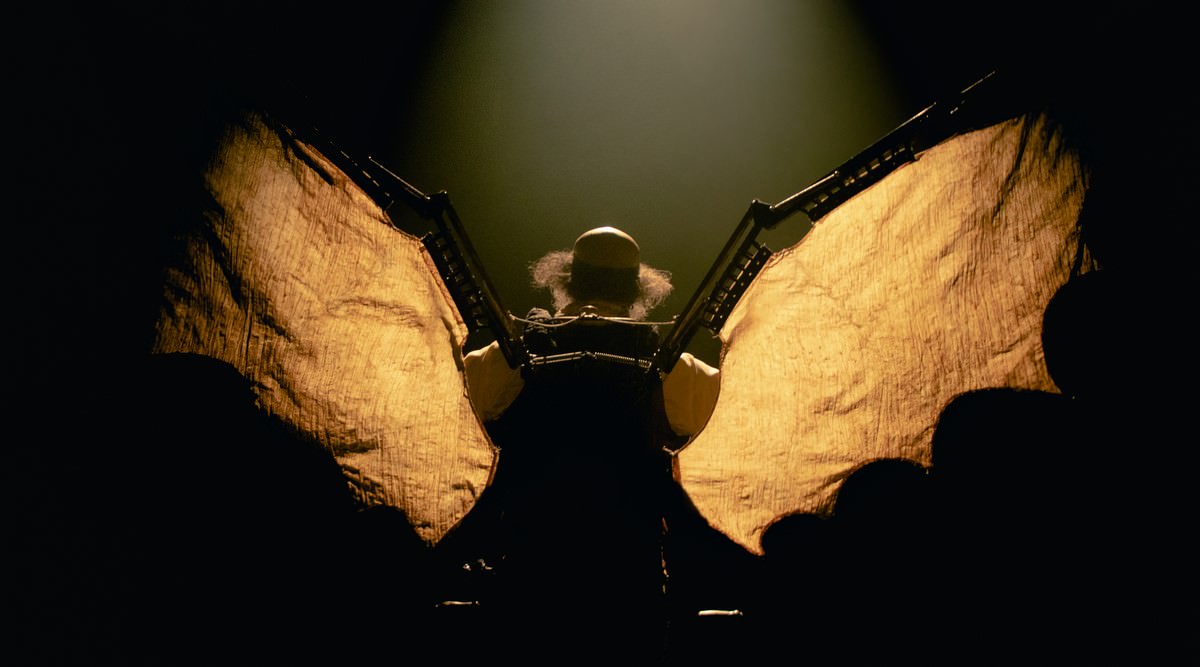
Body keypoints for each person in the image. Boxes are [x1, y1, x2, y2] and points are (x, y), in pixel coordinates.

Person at [436, 226, 721, 659]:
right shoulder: (673, 368)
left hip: (529, 582)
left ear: (566, 280)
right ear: (637, 289)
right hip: (628, 590)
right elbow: (739, 422)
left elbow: (439, 410)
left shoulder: (511, 357)